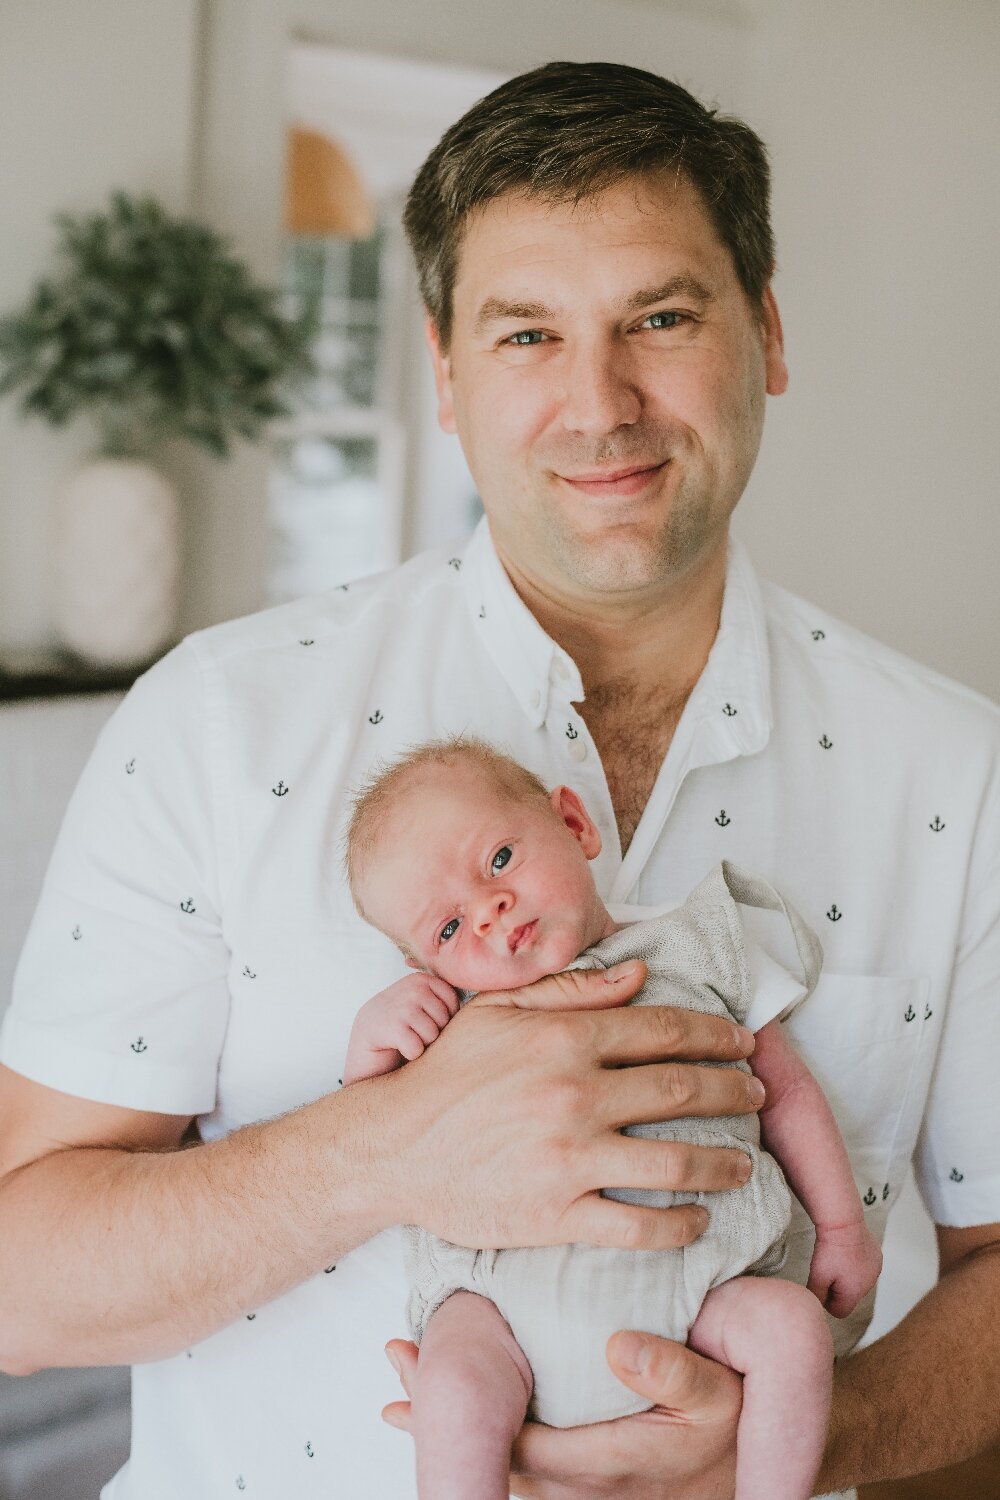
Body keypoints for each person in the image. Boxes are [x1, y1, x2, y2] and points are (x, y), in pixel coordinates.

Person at [0, 59, 997, 1500]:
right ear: (447, 374)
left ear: (768, 332)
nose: (601, 406)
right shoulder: (216, 721)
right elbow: (19, 1288)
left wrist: (808, 1435)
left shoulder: (958, 775)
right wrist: (389, 1148)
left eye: (661, 317)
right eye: (528, 334)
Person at [342, 735, 882, 1500]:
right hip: (503, 1305)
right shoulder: (450, 1022)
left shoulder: (698, 951)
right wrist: (373, 1037)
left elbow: (787, 1093)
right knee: (453, 1387)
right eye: (449, 930)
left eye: (498, 861)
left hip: (706, 1283)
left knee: (794, 1335)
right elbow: (372, 1139)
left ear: (574, 824)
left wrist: (840, 1228)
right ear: (426, 969)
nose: (489, 912)